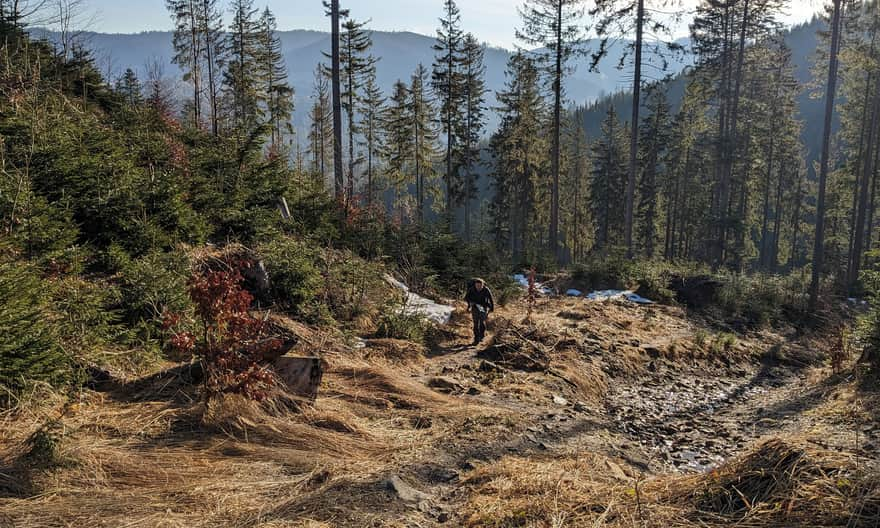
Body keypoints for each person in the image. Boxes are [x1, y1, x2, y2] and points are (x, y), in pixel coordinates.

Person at [465, 278, 494, 345]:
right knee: (475, 323)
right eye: (477, 285)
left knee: (482, 322)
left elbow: (491, 299)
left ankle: (482, 336)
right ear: (475, 285)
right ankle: (476, 338)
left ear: (483, 285)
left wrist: (492, 308)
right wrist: (470, 303)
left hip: (483, 307)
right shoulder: (472, 289)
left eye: (480, 286)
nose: (478, 287)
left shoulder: (486, 290)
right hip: (474, 307)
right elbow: (466, 297)